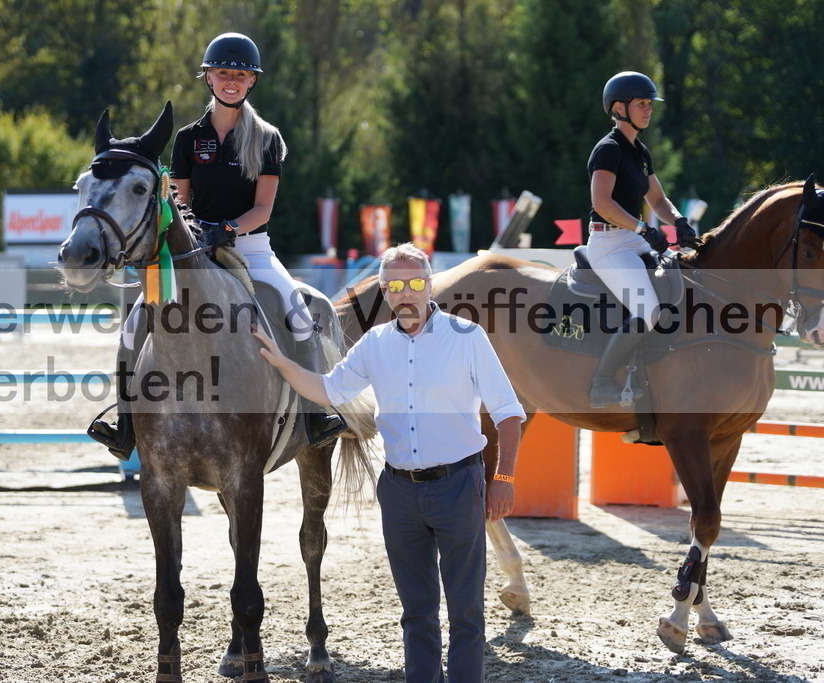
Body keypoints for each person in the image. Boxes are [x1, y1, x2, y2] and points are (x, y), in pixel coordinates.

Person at [253, 243, 525, 682]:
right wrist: (280, 362)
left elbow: (509, 413)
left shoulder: (468, 337)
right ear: (383, 290)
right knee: (416, 613)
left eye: (415, 283)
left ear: (430, 285)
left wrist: (504, 477)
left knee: (466, 612)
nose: (406, 293)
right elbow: (328, 391)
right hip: (399, 492)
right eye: (395, 285)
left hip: (460, 487)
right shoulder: (374, 344)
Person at [89, 31, 346, 458]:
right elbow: (181, 200)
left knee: (298, 315)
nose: (232, 80)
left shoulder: (266, 138)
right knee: (134, 324)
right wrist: (193, 234)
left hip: (251, 247)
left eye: (241, 75)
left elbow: (263, 208)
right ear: (208, 78)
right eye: (223, 73)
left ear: (251, 82)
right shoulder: (189, 138)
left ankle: (315, 415)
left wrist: (226, 229)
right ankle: (124, 421)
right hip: (192, 249)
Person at [586, 71, 699, 408]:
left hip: (633, 240)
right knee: (648, 311)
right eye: (641, 104)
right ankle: (602, 382)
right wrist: (643, 230)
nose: (648, 110)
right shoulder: (607, 150)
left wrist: (679, 221)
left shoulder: (639, 151)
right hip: (608, 245)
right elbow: (602, 204)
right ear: (619, 108)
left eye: (649, 104)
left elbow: (658, 200)